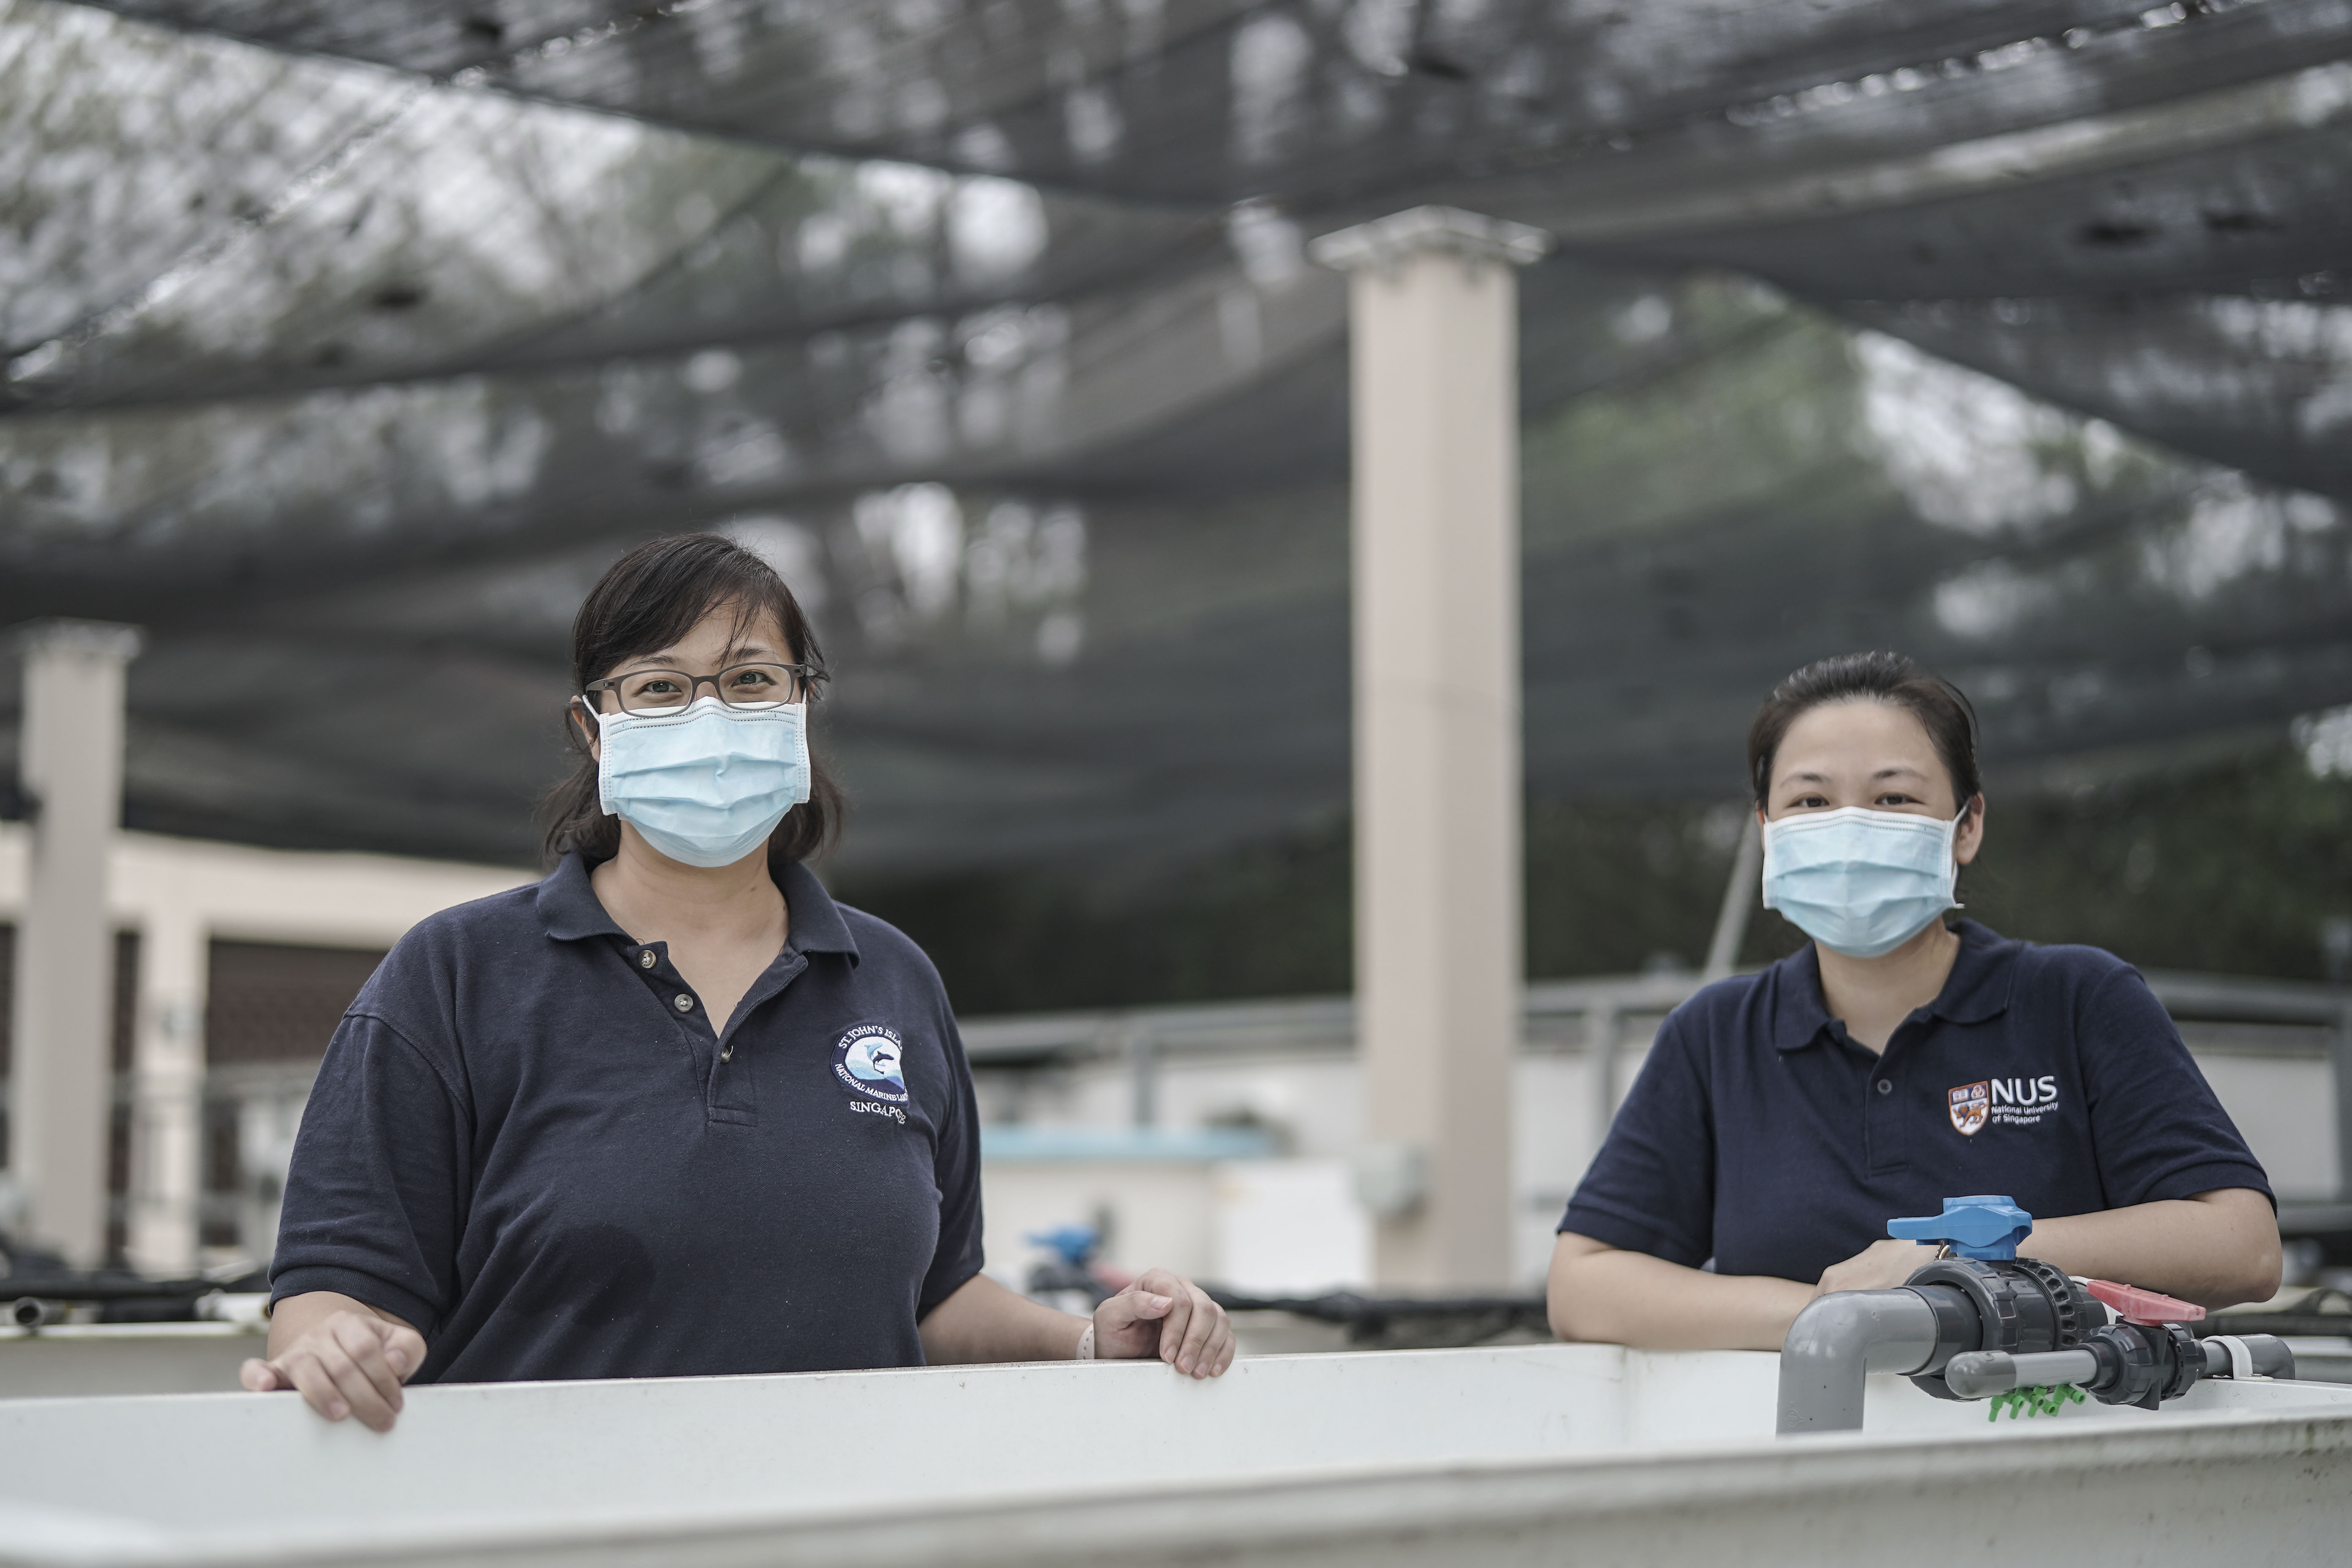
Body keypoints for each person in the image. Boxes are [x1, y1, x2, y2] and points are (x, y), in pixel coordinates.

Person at [242, 534, 1234, 1431]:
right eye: (661, 688)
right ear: (594, 731)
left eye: (752, 679)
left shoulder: (891, 978)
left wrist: (1094, 1342)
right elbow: (338, 1284)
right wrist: (332, 1344)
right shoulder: (455, 975)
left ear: (802, 705)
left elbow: (933, 1297)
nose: (711, 717)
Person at [1548, 651, 2281, 1350]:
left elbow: (2242, 1246)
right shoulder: (1715, 1035)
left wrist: (1954, 1259)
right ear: (1767, 831)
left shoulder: (2078, 997)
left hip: (2051, 1440)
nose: (1849, 828)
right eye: (1810, 800)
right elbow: (1584, 1285)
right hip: (1803, 1452)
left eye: (1893, 798)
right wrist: (1834, 1316)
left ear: (1967, 827)